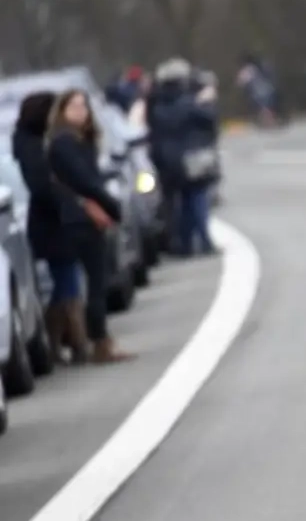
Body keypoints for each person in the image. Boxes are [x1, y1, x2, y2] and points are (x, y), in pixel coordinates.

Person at [44, 89, 134, 363]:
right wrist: (111, 205)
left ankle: (91, 339)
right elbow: (85, 180)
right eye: (73, 106)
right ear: (62, 111)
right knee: (94, 282)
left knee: (92, 282)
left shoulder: (81, 140)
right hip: (80, 218)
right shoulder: (64, 142)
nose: (80, 111)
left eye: (83, 106)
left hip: (82, 216)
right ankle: (98, 342)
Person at [11, 91, 89, 364]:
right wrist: (68, 199)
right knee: (68, 282)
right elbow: (42, 186)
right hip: (51, 224)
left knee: (64, 283)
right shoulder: (32, 147)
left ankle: (58, 344)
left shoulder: (33, 143)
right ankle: (78, 343)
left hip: (54, 221)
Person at [146, 57, 221, 256]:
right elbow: (209, 120)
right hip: (191, 158)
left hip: (165, 160)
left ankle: (183, 244)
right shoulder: (189, 102)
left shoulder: (155, 103)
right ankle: (203, 240)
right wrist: (207, 102)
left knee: (176, 203)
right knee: (197, 198)